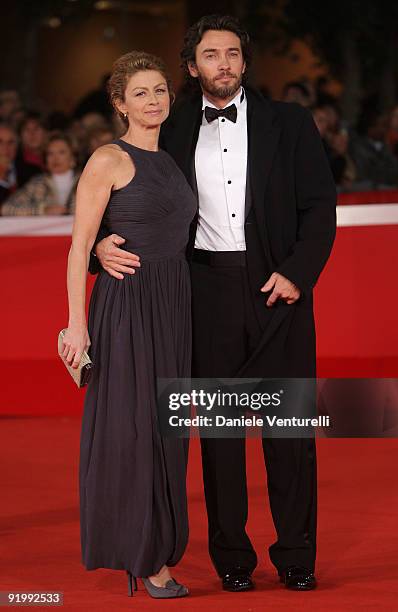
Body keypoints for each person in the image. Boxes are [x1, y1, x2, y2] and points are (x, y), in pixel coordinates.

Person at [91, 15, 337, 593]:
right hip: (204, 294)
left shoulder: (291, 123)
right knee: (222, 437)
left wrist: (298, 274)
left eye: (231, 53)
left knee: (290, 432)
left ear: (245, 63)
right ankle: (232, 558)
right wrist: (100, 240)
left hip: (281, 291)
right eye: (209, 54)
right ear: (192, 66)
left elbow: (321, 208)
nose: (222, 63)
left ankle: (297, 556)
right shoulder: (168, 127)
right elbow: (124, 186)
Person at [61, 51, 195, 598]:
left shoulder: (172, 158)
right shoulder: (107, 160)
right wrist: (76, 327)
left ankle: (157, 543)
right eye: (140, 92)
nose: (154, 100)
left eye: (160, 89)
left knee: (168, 431)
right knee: (136, 431)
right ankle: (144, 557)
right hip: (127, 307)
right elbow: (76, 247)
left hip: (173, 303)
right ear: (119, 104)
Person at [1, 132, 79, 216]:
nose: (55, 158)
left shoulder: (84, 181)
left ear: (73, 156)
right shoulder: (38, 183)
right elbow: (6, 208)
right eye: (50, 153)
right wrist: (43, 210)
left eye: (61, 152)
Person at [0, 122, 40, 210]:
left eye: (10, 142)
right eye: (0, 142)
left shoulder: (33, 172)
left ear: (17, 145)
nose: (6, 147)